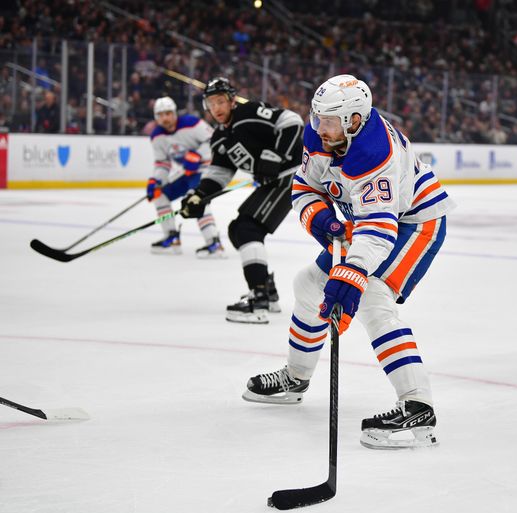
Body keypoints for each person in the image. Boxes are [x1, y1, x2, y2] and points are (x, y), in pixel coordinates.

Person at [241, 74, 456, 449]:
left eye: (329, 121)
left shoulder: (374, 151)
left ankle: (418, 406)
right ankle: (296, 377)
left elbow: (378, 227)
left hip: (413, 222)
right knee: (308, 286)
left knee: (373, 297)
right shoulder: (319, 133)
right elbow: (305, 187)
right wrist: (322, 220)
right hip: (366, 219)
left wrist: (351, 274)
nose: (319, 128)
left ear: (355, 120)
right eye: (317, 117)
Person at [179, 78, 304, 323]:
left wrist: (275, 156)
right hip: (275, 182)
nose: (216, 108)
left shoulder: (248, 113)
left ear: (232, 101)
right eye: (211, 103)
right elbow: (218, 174)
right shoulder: (220, 139)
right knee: (238, 230)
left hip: (294, 175)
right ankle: (267, 290)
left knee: (248, 229)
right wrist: (199, 196)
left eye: (220, 101)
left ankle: (259, 300)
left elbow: (292, 121)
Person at [147, 96, 223, 257]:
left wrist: (198, 156)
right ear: (156, 117)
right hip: (187, 174)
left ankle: (214, 242)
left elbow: (215, 140)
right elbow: (162, 164)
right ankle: (171, 237)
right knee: (160, 196)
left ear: (174, 113)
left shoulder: (191, 123)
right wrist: (156, 180)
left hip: (207, 169)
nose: (165, 118)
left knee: (196, 199)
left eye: (168, 113)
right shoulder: (157, 136)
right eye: (161, 115)